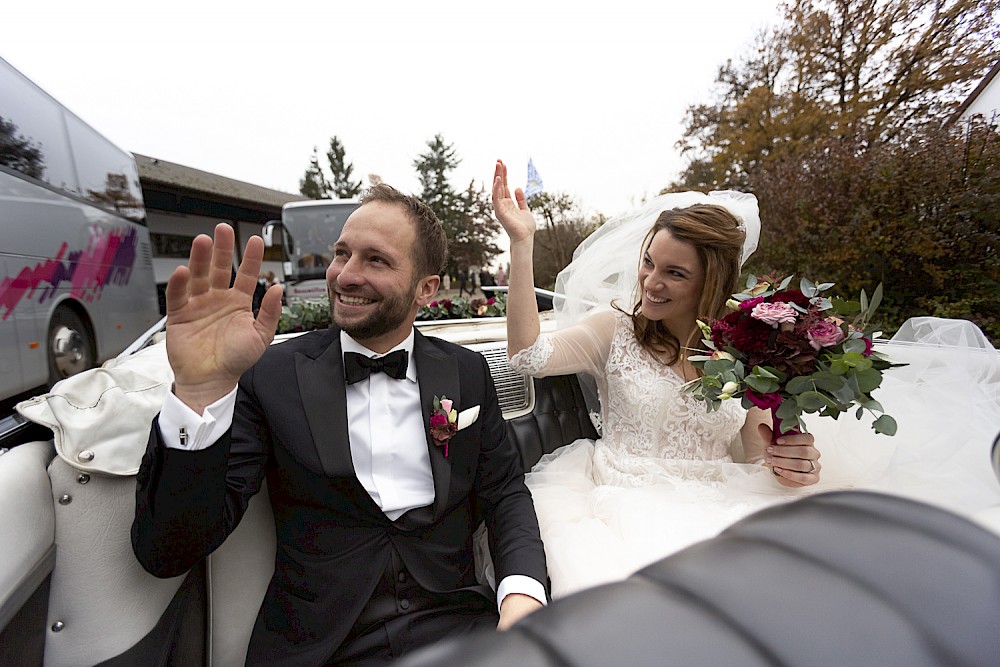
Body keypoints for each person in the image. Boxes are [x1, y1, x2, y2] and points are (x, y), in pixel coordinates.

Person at [492, 159, 1000, 599]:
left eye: (674, 273)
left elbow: (757, 451)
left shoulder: (743, 348)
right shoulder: (616, 328)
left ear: (709, 282)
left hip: (723, 496)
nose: (650, 281)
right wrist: (521, 245)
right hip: (622, 500)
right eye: (648, 262)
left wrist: (791, 464)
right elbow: (528, 356)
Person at [132, 183, 547, 665]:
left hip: (456, 624)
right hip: (322, 644)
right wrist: (199, 394)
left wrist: (522, 594)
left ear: (426, 289)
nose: (345, 276)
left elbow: (504, 493)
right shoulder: (271, 376)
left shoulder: (466, 371)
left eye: (376, 260)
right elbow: (167, 552)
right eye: (342, 254)